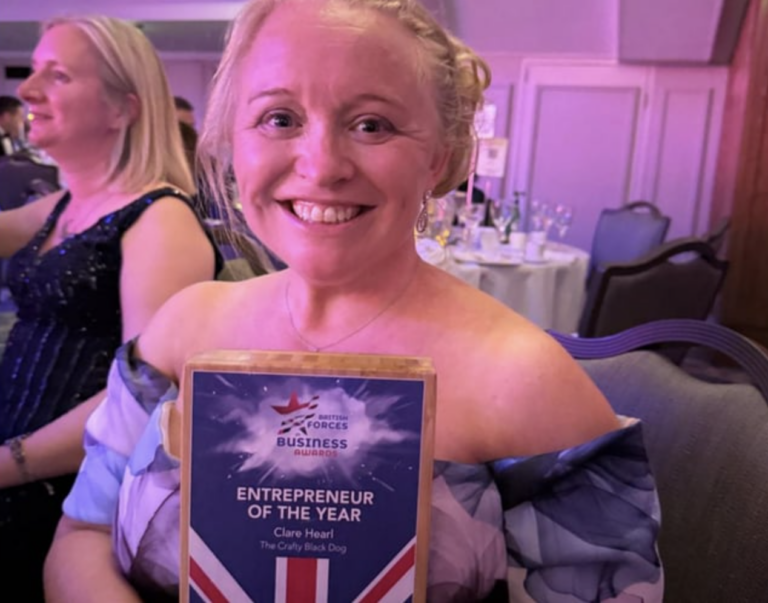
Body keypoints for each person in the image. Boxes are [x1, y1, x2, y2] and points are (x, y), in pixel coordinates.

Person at [46, 1, 664, 601]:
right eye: (280, 119)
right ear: (233, 144)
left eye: (373, 125)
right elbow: (82, 535)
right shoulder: (183, 326)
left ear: (437, 160)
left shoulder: (524, 381)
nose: (322, 166)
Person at [0, 15, 221, 601]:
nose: (26, 89)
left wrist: (8, 464)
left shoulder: (159, 220)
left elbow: (146, 401)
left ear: (123, 108)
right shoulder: (67, 204)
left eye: (58, 74)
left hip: (65, 493)